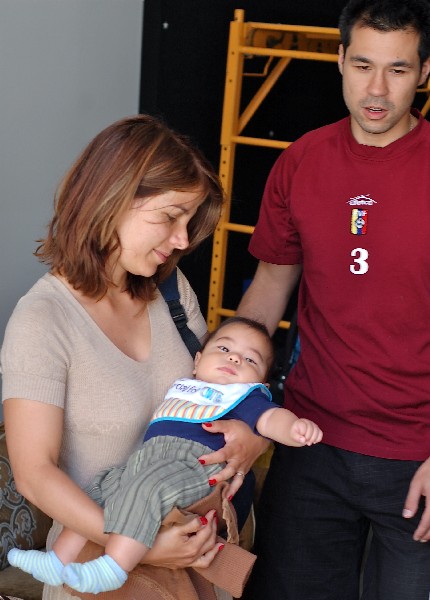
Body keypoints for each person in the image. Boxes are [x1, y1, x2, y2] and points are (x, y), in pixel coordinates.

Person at [0, 114, 269, 600]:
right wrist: (138, 544)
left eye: (188, 222)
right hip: (95, 566)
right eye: (170, 217)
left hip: (193, 553)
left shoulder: (170, 290)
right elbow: (34, 474)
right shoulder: (43, 319)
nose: (182, 240)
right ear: (112, 198)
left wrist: (251, 438)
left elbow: (223, 389)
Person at [237, 1, 430, 599]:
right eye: (364, 65)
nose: (377, 89)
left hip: (418, 453)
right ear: (341, 60)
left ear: (425, 72)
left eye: (398, 70)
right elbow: (270, 288)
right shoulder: (301, 160)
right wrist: (229, 397)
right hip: (310, 440)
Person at [7, 316, 323, 593]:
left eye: (250, 359)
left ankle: (113, 568)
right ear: (197, 361)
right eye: (224, 348)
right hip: (147, 459)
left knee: (150, 488)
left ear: (261, 383)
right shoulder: (186, 387)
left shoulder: (244, 397)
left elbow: (271, 419)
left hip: (196, 464)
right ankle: (59, 561)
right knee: (100, 488)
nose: (234, 358)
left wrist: (294, 428)